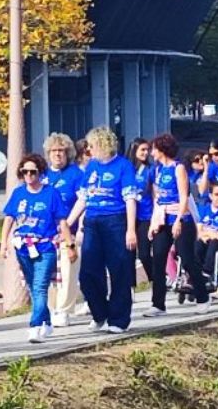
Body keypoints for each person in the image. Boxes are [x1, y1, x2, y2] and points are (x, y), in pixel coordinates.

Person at [64, 126, 137, 334]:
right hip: (93, 221)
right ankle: (100, 313)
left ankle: (119, 319)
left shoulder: (123, 166)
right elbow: (84, 198)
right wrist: (67, 223)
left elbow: (130, 199)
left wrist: (131, 229)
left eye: (92, 146)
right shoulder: (92, 166)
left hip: (115, 221)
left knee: (119, 270)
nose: (88, 150)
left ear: (103, 145)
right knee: (88, 272)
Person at [0, 154, 76, 343]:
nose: (29, 176)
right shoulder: (18, 193)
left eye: (33, 172)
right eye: (25, 172)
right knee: (33, 287)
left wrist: (70, 245)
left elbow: (62, 221)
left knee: (40, 286)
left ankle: (35, 326)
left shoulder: (51, 193)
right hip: (23, 247)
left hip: (45, 246)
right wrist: (3, 243)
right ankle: (46, 321)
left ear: (40, 173)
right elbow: (9, 218)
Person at [143, 133, 210, 317]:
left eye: (154, 149)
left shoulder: (178, 168)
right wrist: (153, 223)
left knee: (187, 259)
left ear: (162, 149)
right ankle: (158, 304)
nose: (152, 153)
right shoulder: (157, 170)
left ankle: (202, 296)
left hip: (180, 217)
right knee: (158, 259)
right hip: (162, 217)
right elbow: (157, 198)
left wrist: (179, 219)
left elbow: (184, 196)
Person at [42, 133, 84, 328]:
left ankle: (64, 310)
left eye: (61, 151)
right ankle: (52, 307)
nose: (57, 154)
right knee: (50, 275)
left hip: (69, 233)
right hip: (46, 234)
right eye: (54, 151)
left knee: (67, 272)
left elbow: (83, 201)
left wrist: (72, 225)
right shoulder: (43, 175)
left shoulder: (75, 174)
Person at [127, 138, 155, 282]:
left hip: (146, 215)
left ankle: (155, 279)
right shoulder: (127, 168)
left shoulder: (150, 170)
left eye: (147, 150)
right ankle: (130, 286)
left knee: (144, 254)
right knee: (129, 253)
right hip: (128, 216)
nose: (146, 153)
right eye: (142, 150)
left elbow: (155, 194)